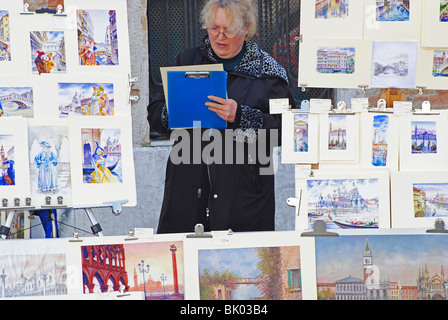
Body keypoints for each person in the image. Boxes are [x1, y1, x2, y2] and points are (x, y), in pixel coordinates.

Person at [147, 0, 295, 234]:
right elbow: (155, 114)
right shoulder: (188, 61)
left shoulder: (267, 74)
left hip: (244, 196)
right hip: (187, 188)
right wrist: (175, 111)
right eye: (214, 28)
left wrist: (241, 116)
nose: (220, 37)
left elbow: (288, 130)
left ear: (246, 29)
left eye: (230, 30)